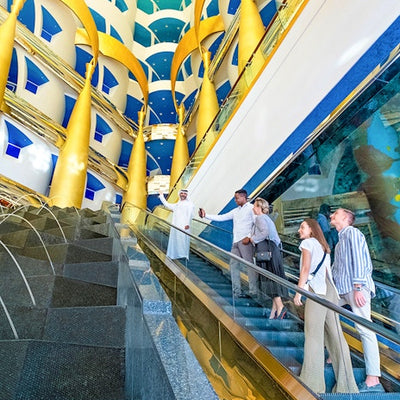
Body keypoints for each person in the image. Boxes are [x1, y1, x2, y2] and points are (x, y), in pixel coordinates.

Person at [294, 218, 358, 394]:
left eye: (302, 227)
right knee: (336, 335)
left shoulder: (307, 243)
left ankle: (312, 383)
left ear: (312, 230)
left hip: (317, 290)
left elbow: (305, 269)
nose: (299, 231)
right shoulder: (323, 247)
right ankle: (347, 386)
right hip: (330, 290)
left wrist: (299, 291)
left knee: (313, 335)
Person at [330, 208, 384, 393]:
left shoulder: (352, 233)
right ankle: (334, 355)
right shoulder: (340, 241)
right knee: (326, 313)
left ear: (345, 218)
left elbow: (360, 261)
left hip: (355, 289)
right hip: (343, 290)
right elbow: (336, 269)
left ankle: (373, 378)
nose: (331, 216)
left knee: (364, 328)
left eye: (335, 214)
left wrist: (359, 288)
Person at [198, 189, 255, 297]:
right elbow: (222, 217)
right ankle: (236, 291)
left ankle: (253, 291)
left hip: (246, 242)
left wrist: (249, 237)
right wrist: (205, 215)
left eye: (237, 198)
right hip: (236, 241)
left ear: (243, 197)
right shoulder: (236, 211)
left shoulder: (251, 208)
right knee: (233, 265)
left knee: (250, 266)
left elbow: (256, 223)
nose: (235, 200)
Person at [250, 198, 287, 319]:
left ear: (260, 207)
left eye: (255, 206)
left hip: (268, 253)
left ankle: (280, 307)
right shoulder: (267, 218)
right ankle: (273, 313)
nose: (253, 208)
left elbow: (265, 233)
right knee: (273, 278)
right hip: (274, 251)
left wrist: (253, 239)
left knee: (270, 279)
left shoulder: (260, 218)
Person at [158, 189, 195, 260]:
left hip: (184, 226)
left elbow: (190, 215)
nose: (183, 195)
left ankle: (183, 255)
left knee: (183, 240)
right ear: (179, 194)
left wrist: (187, 224)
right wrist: (162, 196)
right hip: (176, 225)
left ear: (187, 195)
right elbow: (167, 205)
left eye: (185, 194)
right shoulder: (177, 204)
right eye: (182, 193)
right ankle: (175, 254)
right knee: (175, 239)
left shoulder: (190, 204)